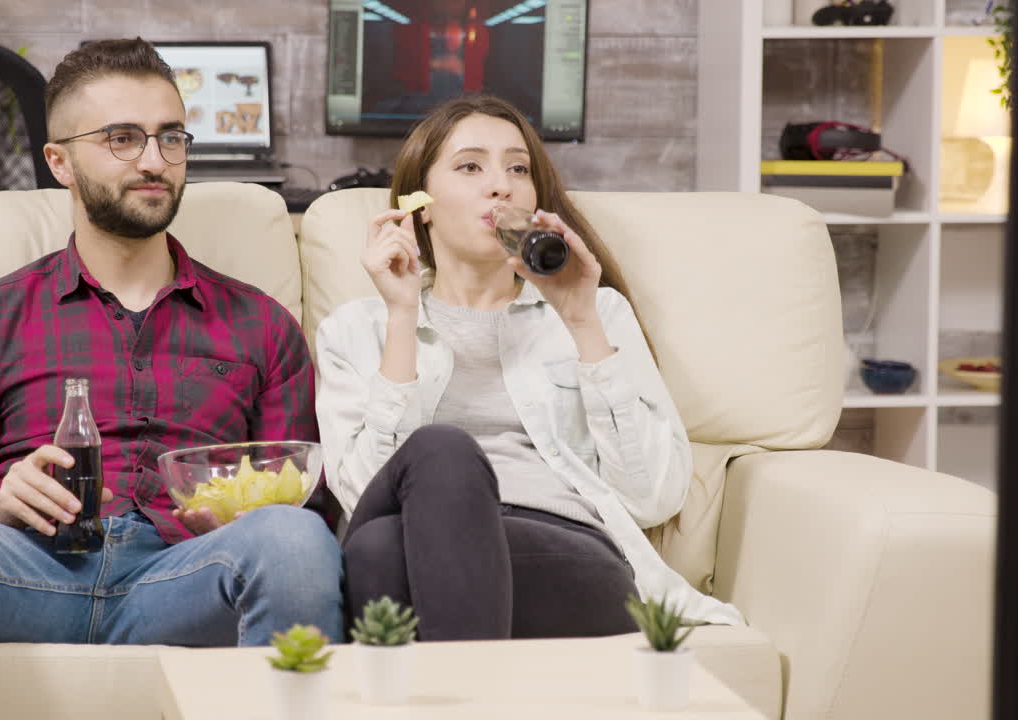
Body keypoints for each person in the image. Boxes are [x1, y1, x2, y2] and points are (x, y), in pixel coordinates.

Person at [0, 38, 342, 720]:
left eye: (170, 138)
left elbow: (301, 503)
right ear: (60, 162)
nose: (154, 161)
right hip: (21, 571)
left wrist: (239, 517)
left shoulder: (261, 326)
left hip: (183, 576)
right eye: (122, 138)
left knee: (295, 541)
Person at [315, 95, 743, 641]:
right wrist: (401, 315)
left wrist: (582, 320)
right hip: (403, 535)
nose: (502, 185)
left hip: (555, 543)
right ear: (419, 202)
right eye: (471, 166)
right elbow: (358, 491)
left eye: (518, 169)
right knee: (433, 464)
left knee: (381, 553)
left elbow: (652, 495)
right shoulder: (359, 328)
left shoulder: (598, 313)